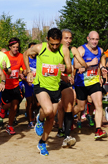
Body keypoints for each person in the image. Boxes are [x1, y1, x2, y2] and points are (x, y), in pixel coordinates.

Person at [23, 28, 73, 156]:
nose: (55, 46)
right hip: (41, 85)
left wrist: (65, 68)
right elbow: (25, 54)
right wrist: (29, 71)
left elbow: (69, 69)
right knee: (49, 110)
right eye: (52, 44)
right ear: (47, 40)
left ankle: (42, 141)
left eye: (57, 44)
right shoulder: (40, 48)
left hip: (55, 87)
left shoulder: (64, 50)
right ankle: (39, 118)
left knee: (50, 117)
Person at [55, 29, 88, 147]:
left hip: (67, 82)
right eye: (66, 38)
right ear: (60, 39)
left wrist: (83, 66)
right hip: (54, 81)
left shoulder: (73, 50)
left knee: (68, 105)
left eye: (70, 38)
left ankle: (66, 134)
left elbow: (84, 63)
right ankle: (47, 121)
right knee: (56, 107)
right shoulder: (55, 49)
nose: (68, 41)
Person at [73, 31, 108, 139]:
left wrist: (102, 69)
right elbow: (75, 65)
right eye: (92, 39)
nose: (94, 41)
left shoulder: (100, 50)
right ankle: (67, 116)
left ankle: (98, 130)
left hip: (93, 82)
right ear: (88, 39)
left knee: (99, 105)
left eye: (96, 39)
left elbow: (99, 63)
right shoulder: (81, 50)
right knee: (80, 107)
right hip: (81, 83)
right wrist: (89, 63)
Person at [2, 37, 26, 135]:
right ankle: (2, 108)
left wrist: (22, 74)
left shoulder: (21, 56)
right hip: (4, 85)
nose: (16, 49)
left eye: (17, 47)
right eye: (14, 47)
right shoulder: (4, 55)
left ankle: (10, 125)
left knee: (15, 106)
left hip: (15, 85)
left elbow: (24, 69)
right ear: (10, 47)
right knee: (8, 105)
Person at [23, 42, 38, 128]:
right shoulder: (26, 59)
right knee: (29, 102)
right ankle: (30, 121)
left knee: (38, 103)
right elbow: (23, 72)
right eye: (31, 49)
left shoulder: (39, 58)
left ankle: (35, 114)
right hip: (28, 84)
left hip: (37, 83)